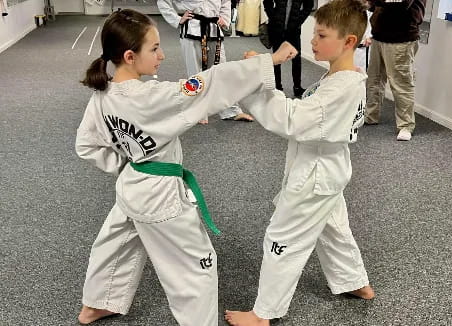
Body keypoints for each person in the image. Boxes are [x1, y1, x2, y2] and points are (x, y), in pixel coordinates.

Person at [75, 9, 297, 325]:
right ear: (129, 55)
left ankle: (97, 303)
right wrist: (267, 62)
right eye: (153, 49)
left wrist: (128, 164)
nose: (162, 54)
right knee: (196, 265)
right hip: (160, 196)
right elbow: (207, 83)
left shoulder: (102, 94)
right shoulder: (152, 96)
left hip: (131, 186)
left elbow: (86, 145)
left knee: (117, 244)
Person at [224, 1, 375, 325]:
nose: (313, 41)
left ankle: (264, 313)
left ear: (349, 41)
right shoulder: (342, 78)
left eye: (321, 35)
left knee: (282, 238)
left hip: (315, 174)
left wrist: (255, 79)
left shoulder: (340, 88)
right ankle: (356, 282)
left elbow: (292, 119)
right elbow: (306, 113)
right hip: (328, 170)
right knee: (334, 229)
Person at [157, 0, 255, 124]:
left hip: (214, 28)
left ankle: (230, 110)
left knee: (222, 71)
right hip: (192, 29)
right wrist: (177, 19)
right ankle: (198, 111)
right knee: (196, 73)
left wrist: (224, 18)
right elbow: (163, 1)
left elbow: (225, 2)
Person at [364, 0, 426, 141]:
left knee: (401, 84)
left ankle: (406, 125)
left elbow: (401, 3)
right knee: (374, 79)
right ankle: (371, 116)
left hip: (401, 38)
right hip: (379, 36)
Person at [263, 0, 314, 98]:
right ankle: (277, 87)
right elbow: (267, 2)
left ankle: (297, 88)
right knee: (276, 59)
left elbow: (309, 6)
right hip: (277, 28)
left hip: (294, 30)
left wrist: (299, 20)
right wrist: (273, 18)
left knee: (296, 60)